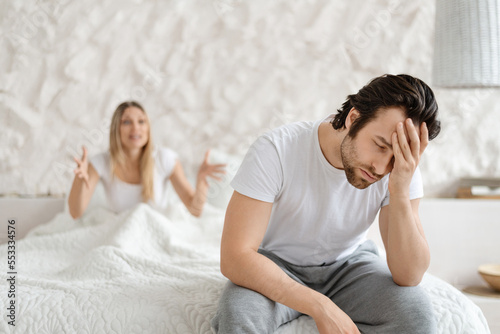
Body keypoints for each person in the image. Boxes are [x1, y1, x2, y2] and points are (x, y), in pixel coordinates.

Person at [212, 74, 441, 333]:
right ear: (353, 119)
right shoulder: (275, 150)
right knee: (239, 317)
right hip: (276, 265)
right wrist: (320, 306)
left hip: (349, 267)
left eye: (395, 157)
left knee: (417, 314)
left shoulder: (399, 169)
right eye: (379, 145)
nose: (380, 167)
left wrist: (399, 189)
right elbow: (234, 257)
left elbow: (409, 275)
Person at [68, 101, 225, 219]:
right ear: (116, 129)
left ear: (148, 128)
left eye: (141, 121)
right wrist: (79, 180)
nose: (136, 128)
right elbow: (76, 213)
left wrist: (201, 183)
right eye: (127, 122)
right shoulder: (101, 162)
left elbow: (195, 210)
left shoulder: (165, 158)